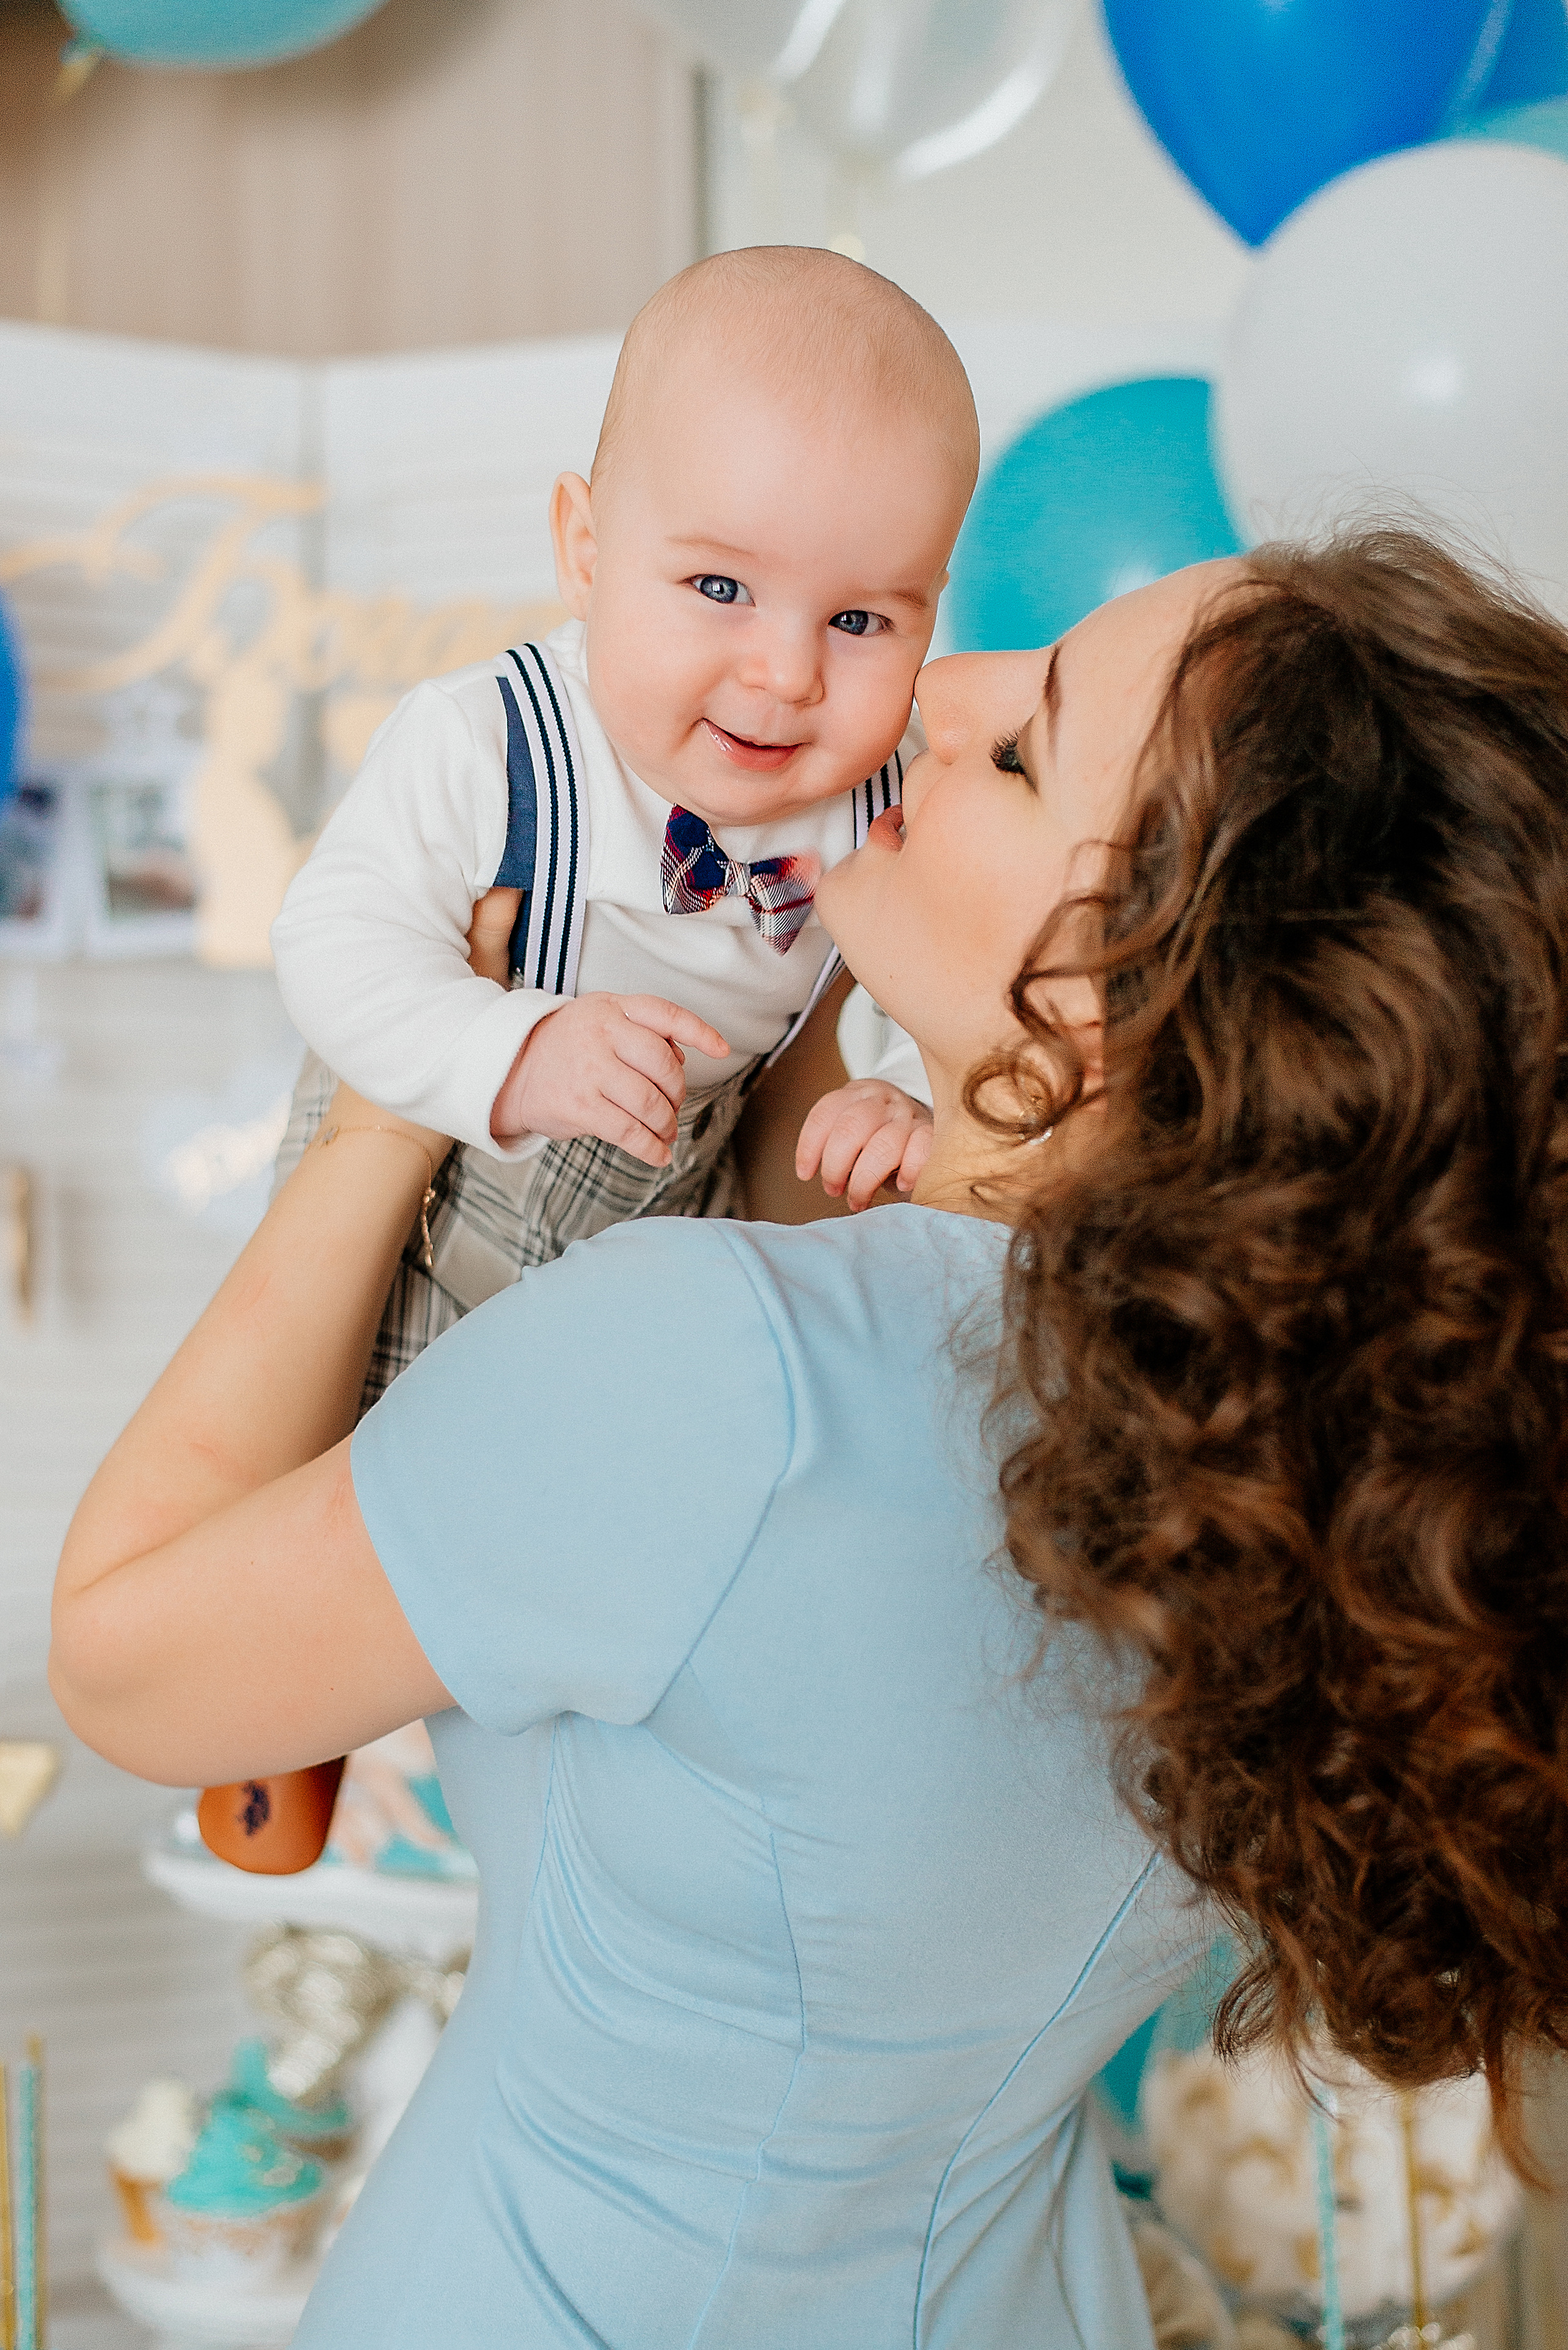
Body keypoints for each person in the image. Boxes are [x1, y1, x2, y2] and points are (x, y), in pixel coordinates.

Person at [51, 530, 1568, 2346]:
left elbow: (128, 1662)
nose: (939, 685)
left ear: (1130, 1002)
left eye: (1023, 748)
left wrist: (390, 1103)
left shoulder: (714, 1372)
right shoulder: (1274, 1474)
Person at [270, 245, 975, 1416]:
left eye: (858, 619)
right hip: (432, 1215)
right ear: (587, 553)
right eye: (720, 589)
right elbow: (333, 942)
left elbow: (961, 990)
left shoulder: (890, 798)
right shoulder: (493, 743)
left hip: (676, 1218)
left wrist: (907, 1091)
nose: (787, 672)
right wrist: (510, 1053)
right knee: (361, 1453)